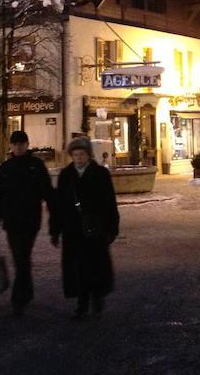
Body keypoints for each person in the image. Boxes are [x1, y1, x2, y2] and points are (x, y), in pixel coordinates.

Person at [50, 136, 120, 318]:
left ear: (88, 155)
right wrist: (55, 230)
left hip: (95, 228)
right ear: (71, 156)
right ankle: (82, 304)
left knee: (95, 265)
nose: (79, 158)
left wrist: (112, 227)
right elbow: (58, 206)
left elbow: (110, 202)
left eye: (82, 154)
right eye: (75, 154)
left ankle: (97, 295)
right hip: (72, 230)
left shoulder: (100, 174)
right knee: (77, 268)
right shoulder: (66, 175)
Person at [0, 130, 56, 316]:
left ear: (27, 145)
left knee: (22, 257)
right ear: (11, 146)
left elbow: (48, 193)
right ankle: (26, 291)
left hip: (30, 220)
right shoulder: (6, 167)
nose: (18, 147)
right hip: (11, 221)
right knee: (21, 258)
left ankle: (18, 299)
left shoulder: (36, 165)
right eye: (15, 144)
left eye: (22, 143)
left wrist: (54, 220)